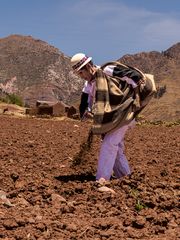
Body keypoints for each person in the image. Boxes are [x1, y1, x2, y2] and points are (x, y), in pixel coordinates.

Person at [71, 53, 156, 181]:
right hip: (111, 118)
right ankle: (125, 177)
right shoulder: (88, 84)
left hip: (123, 113)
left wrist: (135, 99)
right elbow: (84, 103)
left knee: (109, 144)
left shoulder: (107, 70)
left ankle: (102, 179)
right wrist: (87, 113)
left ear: (88, 66)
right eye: (79, 74)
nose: (81, 76)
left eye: (81, 72)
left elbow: (135, 77)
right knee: (116, 148)